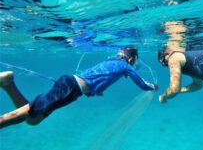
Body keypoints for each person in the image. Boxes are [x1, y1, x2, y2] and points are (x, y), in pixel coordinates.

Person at [0, 46, 158, 129]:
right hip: (70, 88)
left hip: (70, 86)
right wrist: (153, 86)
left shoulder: (112, 61)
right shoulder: (125, 65)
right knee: (29, 113)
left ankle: (8, 84)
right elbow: (142, 84)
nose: (133, 64)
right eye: (134, 61)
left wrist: (94, 90)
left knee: (34, 119)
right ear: (131, 58)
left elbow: (98, 77)